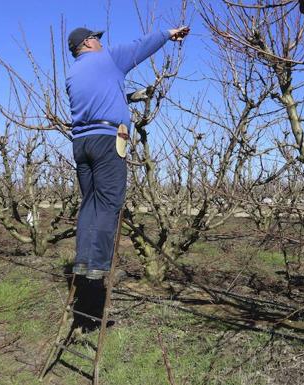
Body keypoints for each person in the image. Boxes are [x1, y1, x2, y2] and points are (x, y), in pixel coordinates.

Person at [66, 25, 190, 281]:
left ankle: (83, 260)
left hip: (81, 143)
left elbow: (102, 96)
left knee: (90, 201)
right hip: (108, 139)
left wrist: (132, 97)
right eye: (97, 39)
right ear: (88, 43)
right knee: (109, 201)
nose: (101, 42)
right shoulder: (106, 57)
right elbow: (140, 46)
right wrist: (168, 34)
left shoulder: (74, 73)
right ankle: (99, 264)